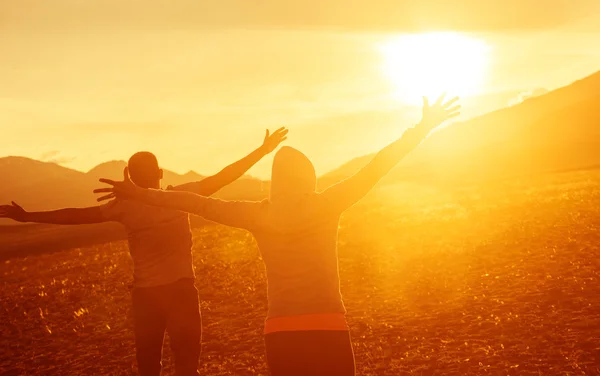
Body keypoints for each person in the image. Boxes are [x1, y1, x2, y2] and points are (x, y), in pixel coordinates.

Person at [94, 95, 460, 376]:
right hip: (327, 325)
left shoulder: (258, 214)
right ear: (309, 177)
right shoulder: (327, 203)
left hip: (281, 332)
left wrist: (139, 193)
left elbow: (194, 203)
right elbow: (378, 165)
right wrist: (423, 128)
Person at [0, 127, 288, 376]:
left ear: (132, 180)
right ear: (161, 173)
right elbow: (225, 176)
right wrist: (262, 151)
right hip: (180, 293)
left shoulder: (124, 207)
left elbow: (74, 215)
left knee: (149, 368)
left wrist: (28, 216)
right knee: (187, 368)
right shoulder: (179, 196)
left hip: (147, 298)